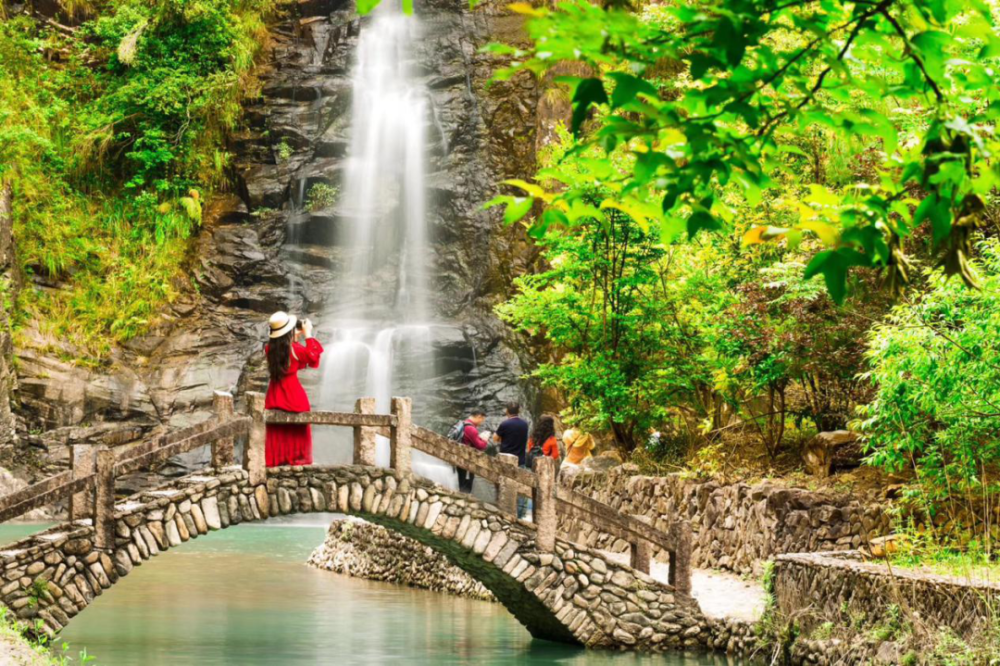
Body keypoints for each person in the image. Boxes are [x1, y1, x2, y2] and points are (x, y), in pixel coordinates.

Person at [263, 311, 323, 467]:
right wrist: (308, 333)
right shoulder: (296, 350)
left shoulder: (269, 349)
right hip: (293, 395)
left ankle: (277, 459)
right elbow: (313, 356)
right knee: (297, 430)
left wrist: (293, 336)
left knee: (277, 430)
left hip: (274, 395)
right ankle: (296, 459)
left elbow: (285, 349)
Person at [456, 409, 488, 493]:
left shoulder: (464, 423)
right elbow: (480, 446)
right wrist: (485, 439)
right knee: (466, 483)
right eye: (482, 420)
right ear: (479, 417)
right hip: (466, 460)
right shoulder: (471, 429)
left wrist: (478, 438)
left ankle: (462, 495)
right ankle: (464, 498)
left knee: (461, 478)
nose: (482, 422)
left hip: (459, 456)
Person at [493, 402, 530, 467]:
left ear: (507, 411)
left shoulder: (504, 424)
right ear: (519, 411)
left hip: (506, 460)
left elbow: (495, 439)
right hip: (520, 460)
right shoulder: (525, 424)